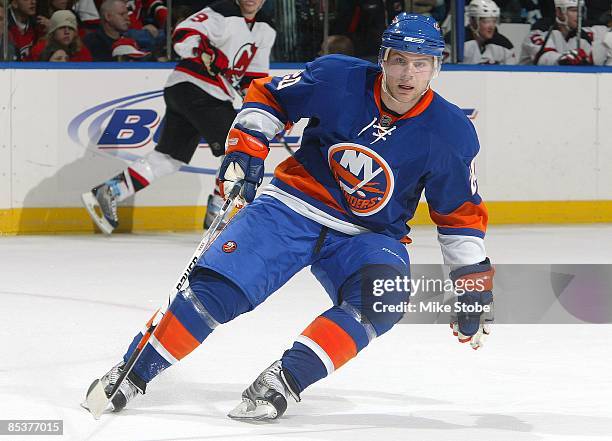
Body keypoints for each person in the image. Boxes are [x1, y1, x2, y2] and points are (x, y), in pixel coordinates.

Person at [86, 13, 494, 421]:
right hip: (291, 208)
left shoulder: (451, 131)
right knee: (217, 290)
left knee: (382, 299)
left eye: (421, 63)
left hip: (366, 234)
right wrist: (247, 147)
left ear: (436, 67)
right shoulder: (338, 76)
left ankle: (284, 380)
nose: (409, 74)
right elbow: (271, 97)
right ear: (383, 58)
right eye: (399, 60)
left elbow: (459, 216)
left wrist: (471, 284)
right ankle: (132, 372)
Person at [81, 0, 276, 234]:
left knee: (168, 158)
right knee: (237, 147)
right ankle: (218, 213)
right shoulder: (222, 11)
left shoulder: (266, 28)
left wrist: (257, 102)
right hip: (194, 87)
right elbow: (183, 33)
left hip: (195, 93)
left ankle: (111, 191)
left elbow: (252, 76)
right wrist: (203, 51)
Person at [520, 0, 610, 64]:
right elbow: (545, 59)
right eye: (573, 10)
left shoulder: (584, 32)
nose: (579, 15)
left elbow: (604, 33)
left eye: (580, 10)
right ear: (559, 12)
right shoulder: (539, 32)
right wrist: (565, 59)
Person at [445, 0, 516, 64]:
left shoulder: (504, 45)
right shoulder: (454, 41)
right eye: (486, 21)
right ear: (472, 21)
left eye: (494, 21)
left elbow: (513, 73)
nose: (491, 26)